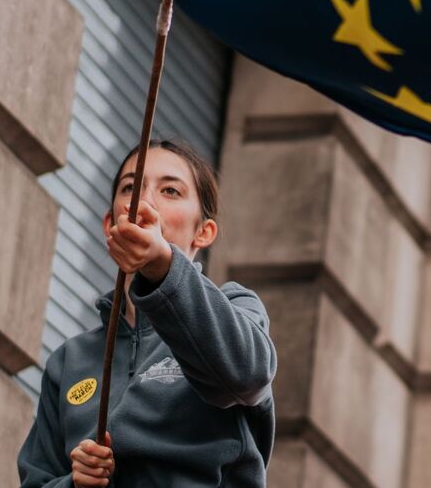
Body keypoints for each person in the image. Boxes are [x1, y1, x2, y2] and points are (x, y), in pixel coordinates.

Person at [18, 139, 276, 487]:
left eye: (170, 190)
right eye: (130, 188)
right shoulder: (70, 361)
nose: (144, 202)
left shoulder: (235, 308)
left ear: (204, 232)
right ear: (111, 224)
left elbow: (247, 375)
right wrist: (76, 483)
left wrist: (162, 266)